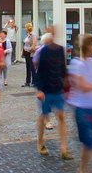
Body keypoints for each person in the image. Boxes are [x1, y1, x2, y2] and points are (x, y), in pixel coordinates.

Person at [68, 34, 92, 173]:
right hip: (82, 109)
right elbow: (83, 87)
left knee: (89, 144)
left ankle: (82, 170)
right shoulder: (76, 64)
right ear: (88, 47)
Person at [34, 26, 71, 160]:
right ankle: (40, 142)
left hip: (57, 88)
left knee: (61, 116)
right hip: (46, 89)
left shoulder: (60, 49)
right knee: (43, 116)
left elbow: (63, 68)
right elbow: (39, 70)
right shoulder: (43, 51)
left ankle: (63, 148)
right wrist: (39, 90)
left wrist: (67, 85)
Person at [22, 22, 37, 87]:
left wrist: (31, 50)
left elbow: (34, 43)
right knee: (28, 67)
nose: (25, 29)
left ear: (28, 28)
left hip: (31, 53)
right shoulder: (28, 35)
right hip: (26, 52)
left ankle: (34, 82)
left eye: (25, 27)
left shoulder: (33, 35)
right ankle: (27, 81)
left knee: (32, 67)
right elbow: (25, 43)